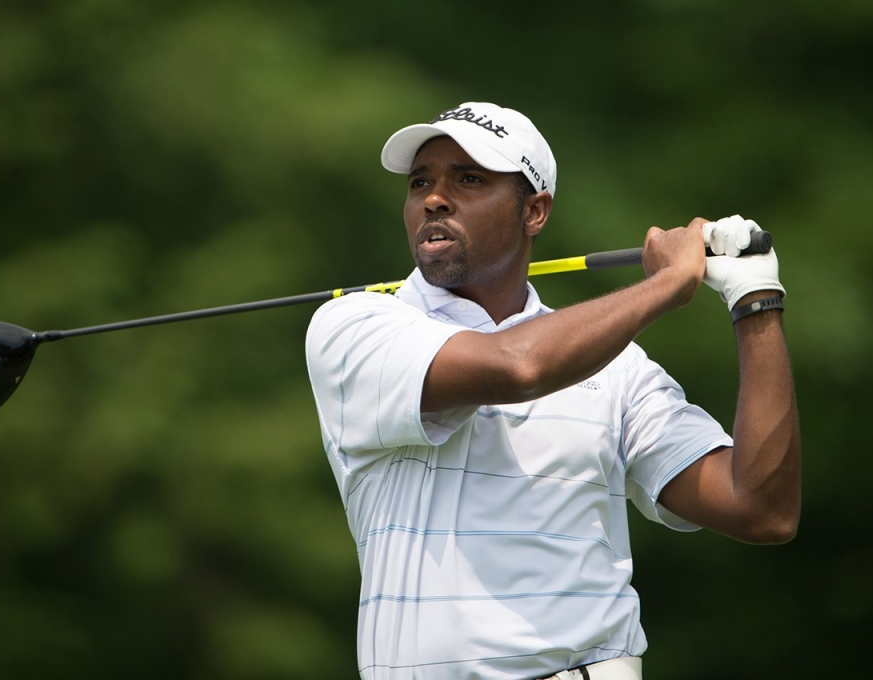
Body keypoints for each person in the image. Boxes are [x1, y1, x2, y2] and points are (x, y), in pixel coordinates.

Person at [305, 102, 800, 680]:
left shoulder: (618, 369)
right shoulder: (355, 327)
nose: (434, 199)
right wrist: (669, 283)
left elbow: (760, 509)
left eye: (469, 179)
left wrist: (757, 304)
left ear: (534, 211)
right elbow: (518, 367)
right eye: (421, 183)